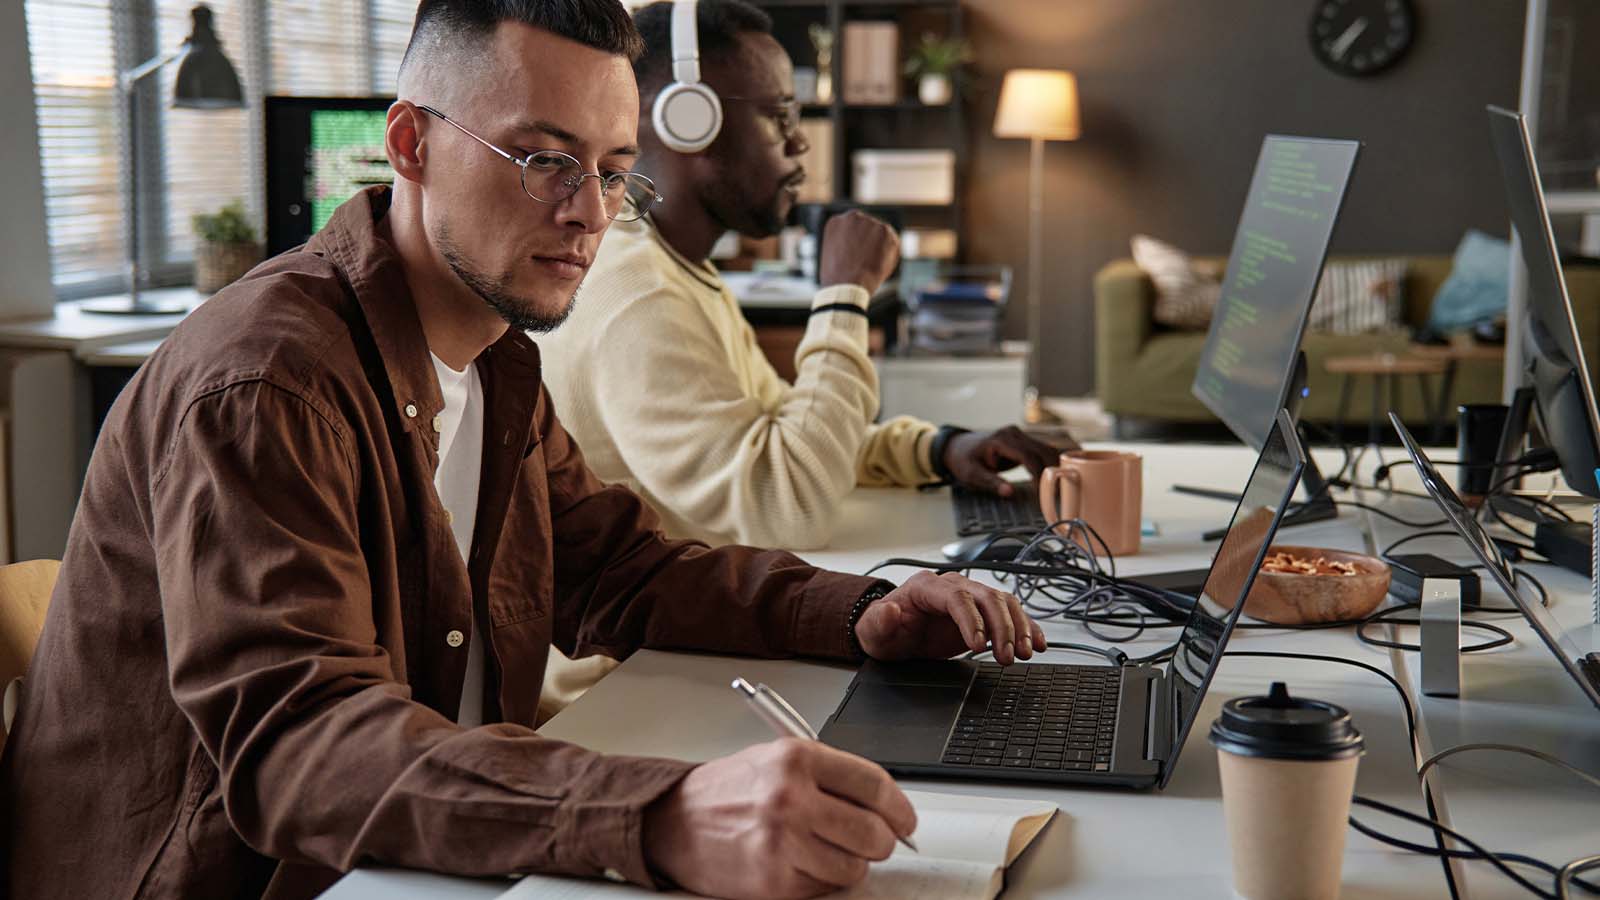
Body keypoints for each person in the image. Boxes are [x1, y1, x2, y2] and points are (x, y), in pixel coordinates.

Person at [0, 3, 1047, 899]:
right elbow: (299, 750)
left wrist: (862, 610)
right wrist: (662, 813)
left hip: (421, 860)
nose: (587, 214)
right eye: (544, 161)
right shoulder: (265, 383)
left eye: (613, 172)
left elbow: (618, 573)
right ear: (409, 144)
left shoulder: (498, 356)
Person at [537, 0, 1068, 556]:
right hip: (637, 641)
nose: (801, 143)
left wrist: (937, 450)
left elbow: (789, 437)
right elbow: (786, 506)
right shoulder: (638, 294)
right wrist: (844, 297)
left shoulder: (674, 269)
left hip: (701, 602)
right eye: (781, 115)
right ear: (687, 120)